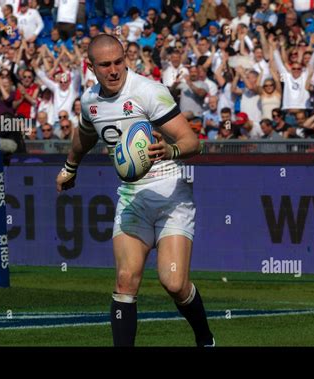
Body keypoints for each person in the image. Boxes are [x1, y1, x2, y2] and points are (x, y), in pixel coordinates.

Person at [55, 34, 214, 347]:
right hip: (131, 198)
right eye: (105, 65)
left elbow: (192, 142)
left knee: (173, 283)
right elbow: (85, 136)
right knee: (125, 280)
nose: (113, 70)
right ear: (91, 67)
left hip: (171, 196)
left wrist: (169, 151)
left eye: (118, 62)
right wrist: (70, 167)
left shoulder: (148, 91)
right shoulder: (90, 101)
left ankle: (205, 339)